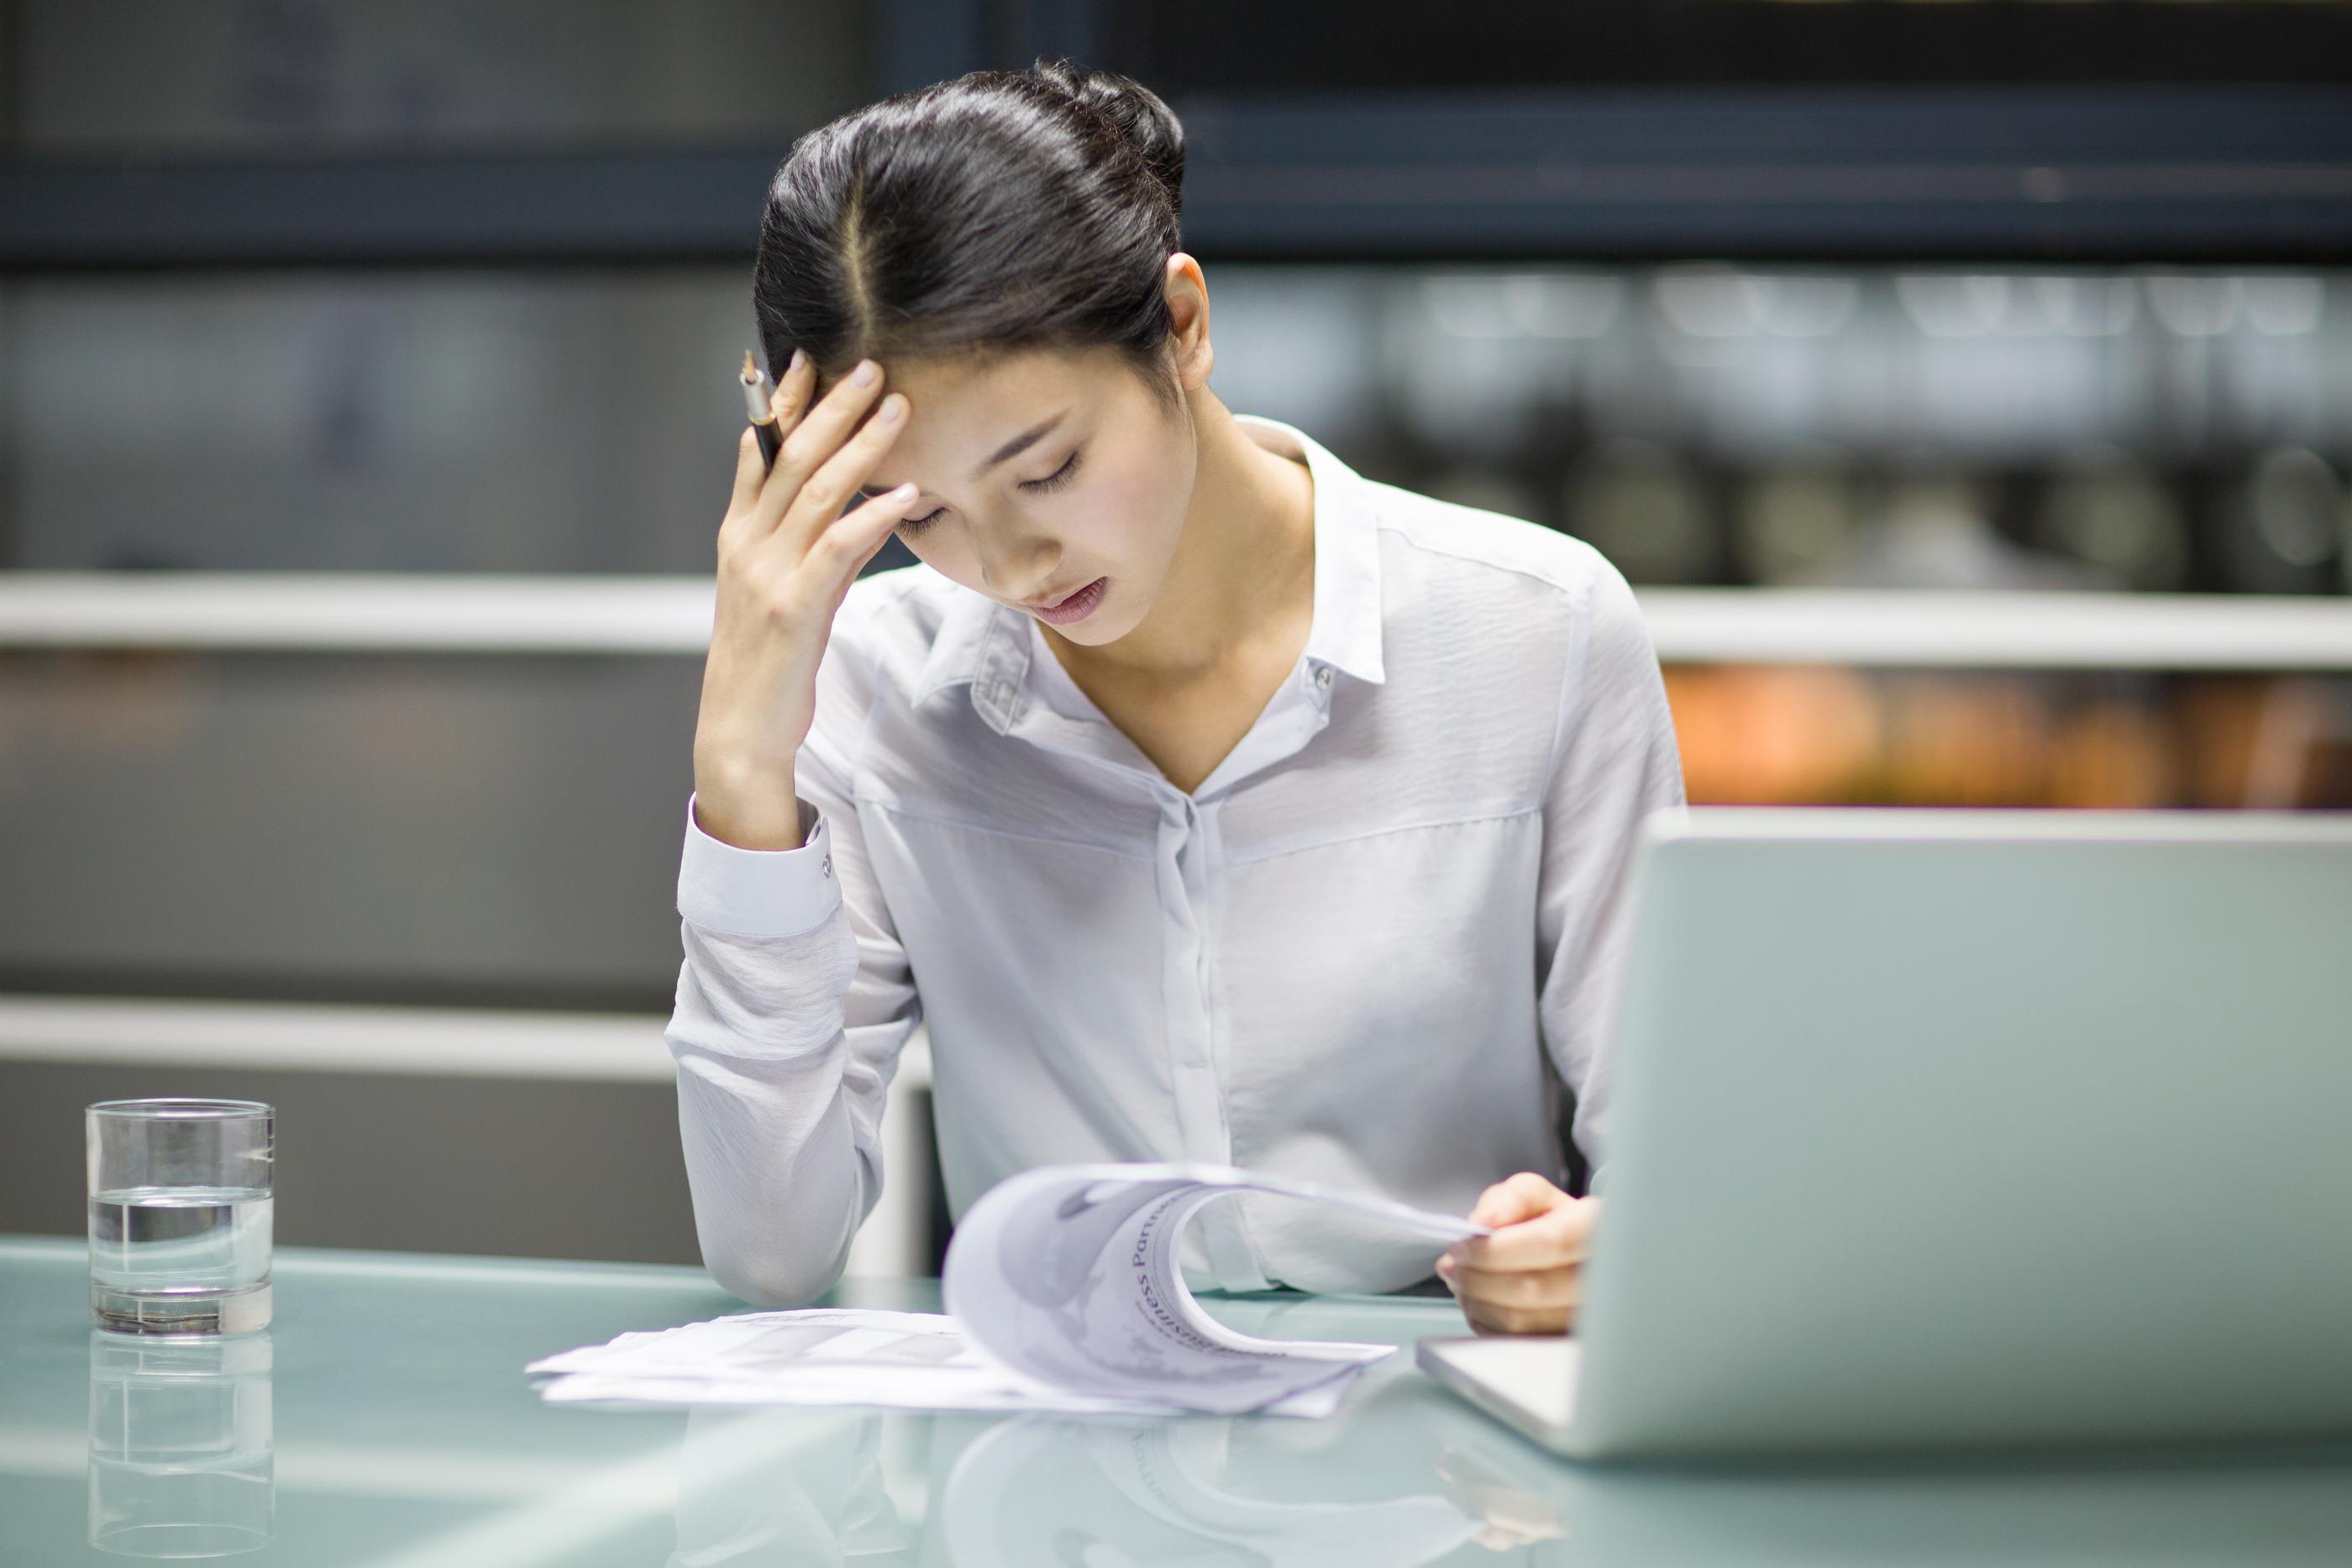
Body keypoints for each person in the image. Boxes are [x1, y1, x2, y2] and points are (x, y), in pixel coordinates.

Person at [669, 58, 1686, 1337]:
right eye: (917, 513)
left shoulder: (1534, 631)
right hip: (1058, 1480)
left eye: (1050, 467)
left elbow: (1680, 1178)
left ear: (1185, 324)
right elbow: (771, 1252)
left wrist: (1613, 1246)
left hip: (1445, 1473)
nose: (1010, 566)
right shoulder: (874, 688)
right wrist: (746, 769)